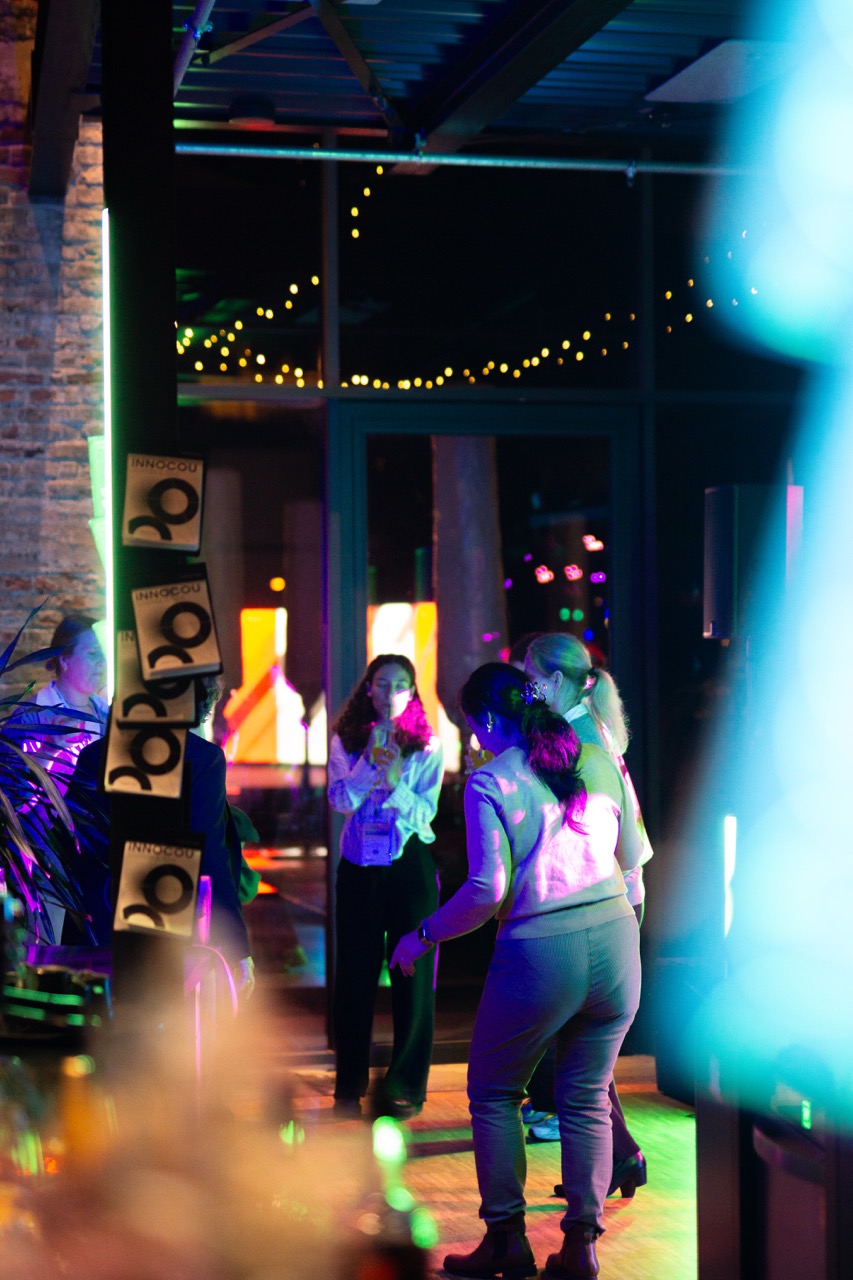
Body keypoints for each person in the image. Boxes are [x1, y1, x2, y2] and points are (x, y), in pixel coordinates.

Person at [390, 663, 641, 1280]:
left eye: (473, 726)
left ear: (487, 719)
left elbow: (486, 890)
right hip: (617, 942)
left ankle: (506, 1240)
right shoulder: (599, 759)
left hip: (541, 950)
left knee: (495, 1092)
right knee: (586, 1096)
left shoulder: (490, 781)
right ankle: (580, 1248)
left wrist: (422, 936)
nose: (474, 739)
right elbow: (632, 857)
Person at [521, 633, 651, 1193]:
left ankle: (619, 1159)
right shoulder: (588, 725)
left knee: (582, 1050)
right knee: (583, 1048)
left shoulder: (576, 736)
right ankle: (617, 1160)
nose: (526, 690)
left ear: (554, 681)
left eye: (530, 679)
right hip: (619, 890)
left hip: (605, 895)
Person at [70, 675, 254, 993]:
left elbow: (72, 838)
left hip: (93, 909)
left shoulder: (94, 754)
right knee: (157, 1012)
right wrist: (236, 946)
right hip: (162, 912)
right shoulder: (201, 758)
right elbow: (210, 852)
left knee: (95, 1012)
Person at [328, 653, 443, 1120]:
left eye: (400, 685)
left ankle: (405, 1088)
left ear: (412, 692)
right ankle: (348, 1088)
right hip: (359, 866)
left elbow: (427, 816)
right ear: (368, 688)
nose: (390, 692)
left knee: (412, 980)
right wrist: (365, 767)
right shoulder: (345, 739)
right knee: (354, 978)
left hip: (408, 866)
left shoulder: (428, 745)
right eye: (381, 683)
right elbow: (340, 800)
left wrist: (395, 782)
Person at [11, 614, 108, 941]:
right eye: (92, 653)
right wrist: (49, 749)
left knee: (96, 946)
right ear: (64, 660)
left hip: (98, 854)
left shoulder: (107, 716)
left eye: (103, 654)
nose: (101, 663)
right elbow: (12, 798)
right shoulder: (32, 717)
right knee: (47, 945)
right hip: (47, 853)